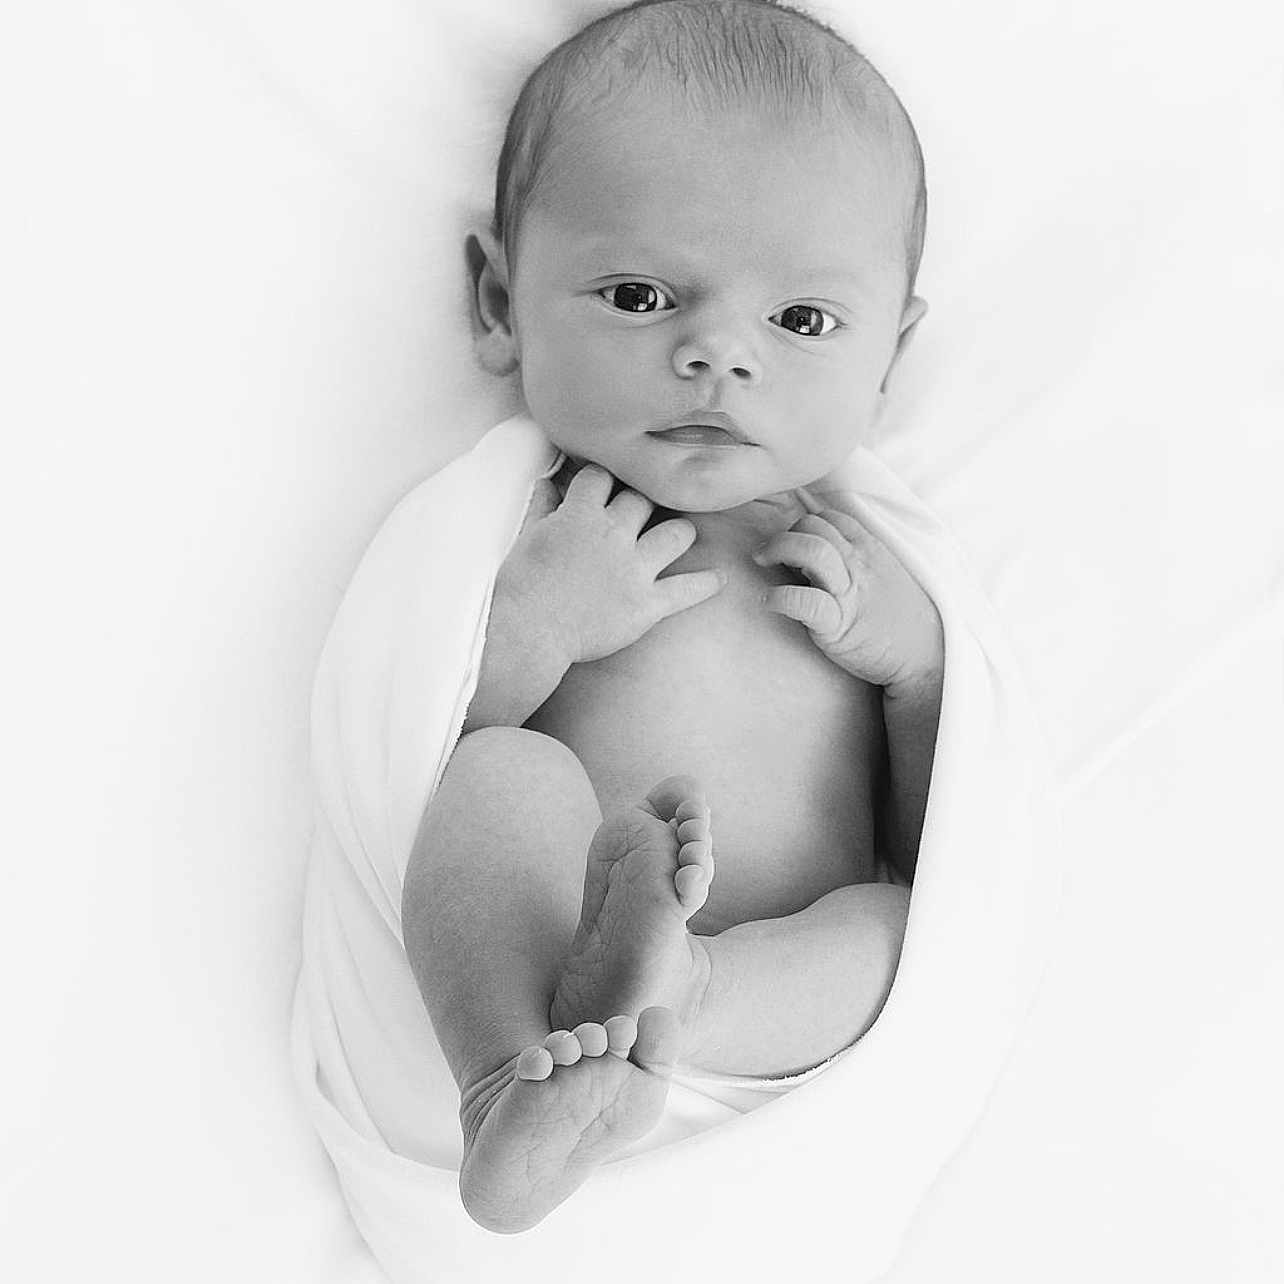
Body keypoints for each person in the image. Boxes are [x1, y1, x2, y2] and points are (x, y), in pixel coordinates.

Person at [401, 0, 941, 1232]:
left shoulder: (879, 568)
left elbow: (939, 839)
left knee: (896, 929)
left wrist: (912, 675)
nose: (716, 354)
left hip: (768, 1027)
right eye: (641, 294)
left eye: (800, 322)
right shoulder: (518, 529)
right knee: (502, 775)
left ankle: (681, 991)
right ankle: (508, 1079)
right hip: (547, 962)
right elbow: (405, 764)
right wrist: (535, 632)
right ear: (499, 303)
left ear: (888, 359)